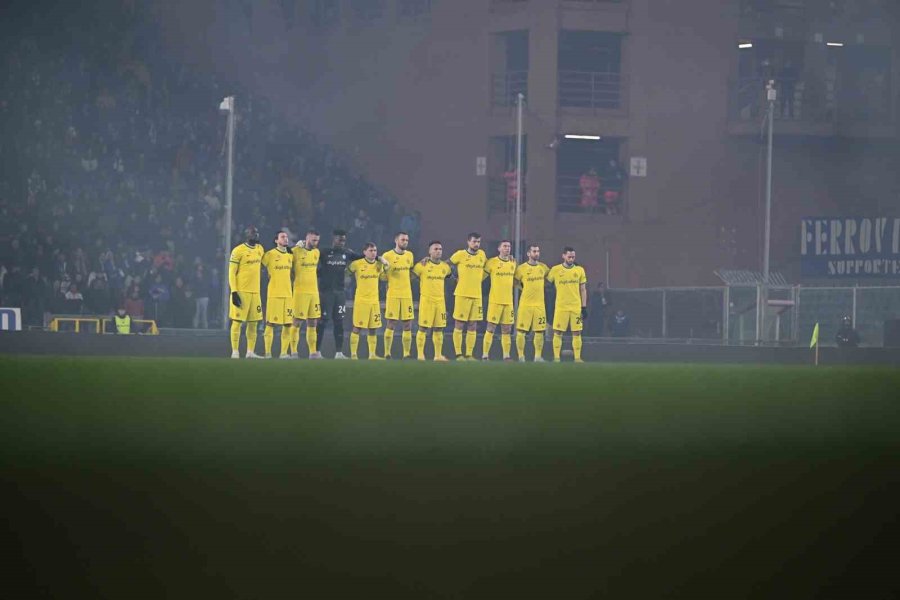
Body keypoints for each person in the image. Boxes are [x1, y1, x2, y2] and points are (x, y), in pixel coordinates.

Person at [316, 229, 361, 359]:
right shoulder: (323, 252)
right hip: (326, 293)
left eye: (343, 240)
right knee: (323, 322)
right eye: (339, 239)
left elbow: (363, 256)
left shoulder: (346, 253)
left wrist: (379, 257)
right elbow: (309, 255)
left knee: (339, 322)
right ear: (333, 239)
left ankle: (339, 353)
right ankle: (317, 351)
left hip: (340, 294)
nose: (341, 242)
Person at [348, 243, 390, 360]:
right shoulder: (357, 264)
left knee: (373, 328)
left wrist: (386, 266)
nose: (373, 253)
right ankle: (353, 354)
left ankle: (372, 355)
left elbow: (383, 278)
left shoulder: (378, 264)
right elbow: (346, 273)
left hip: (374, 301)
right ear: (364, 252)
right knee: (357, 327)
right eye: (371, 250)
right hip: (361, 301)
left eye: (375, 250)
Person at [449, 233, 488, 360]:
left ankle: (469, 354)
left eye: (478, 242)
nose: (476, 244)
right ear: (468, 242)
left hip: (476, 295)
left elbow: (488, 268)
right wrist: (453, 276)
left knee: (473, 325)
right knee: (459, 324)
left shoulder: (482, 254)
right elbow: (446, 264)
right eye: (474, 241)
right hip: (462, 294)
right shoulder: (460, 254)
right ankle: (458, 354)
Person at [228, 226, 264, 359]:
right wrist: (234, 291)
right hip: (242, 292)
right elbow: (231, 272)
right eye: (253, 233)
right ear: (247, 235)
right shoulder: (238, 251)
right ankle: (235, 352)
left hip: (255, 293)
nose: (256, 235)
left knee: (253, 323)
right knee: (237, 322)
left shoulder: (260, 249)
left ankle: (250, 352)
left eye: (257, 232)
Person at [547, 247, 588, 362]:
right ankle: (556, 357)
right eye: (569, 257)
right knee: (558, 332)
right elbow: (547, 285)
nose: (571, 259)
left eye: (573, 257)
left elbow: (583, 289)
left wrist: (583, 307)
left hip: (575, 307)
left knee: (577, 332)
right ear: (563, 256)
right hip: (561, 306)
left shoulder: (580, 270)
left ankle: (577, 358)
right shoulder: (555, 270)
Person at [413, 241, 452, 361]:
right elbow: (411, 277)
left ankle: (438, 355)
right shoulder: (421, 265)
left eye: (440, 249)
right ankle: (420, 355)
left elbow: (451, 276)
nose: (438, 251)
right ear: (429, 251)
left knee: (439, 328)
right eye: (435, 249)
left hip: (440, 302)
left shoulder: (445, 267)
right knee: (423, 328)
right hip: (426, 300)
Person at [381, 232, 415, 359]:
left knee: (407, 324)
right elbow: (382, 277)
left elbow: (410, 272)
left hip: (407, 295)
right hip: (393, 294)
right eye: (402, 240)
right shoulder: (387, 255)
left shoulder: (410, 255)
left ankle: (406, 353)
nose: (405, 242)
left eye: (407, 240)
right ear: (396, 240)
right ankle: (387, 353)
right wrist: (387, 270)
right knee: (391, 323)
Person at [514, 244, 550, 362]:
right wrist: (523, 288)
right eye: (534, 251)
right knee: (521, 331)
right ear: (528, 254)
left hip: (540, 305)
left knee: (540, 331)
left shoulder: (543, 268)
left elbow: (549, 279)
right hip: (526, 304)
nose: (537, 253)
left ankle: (538, 357)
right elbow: (514, 282)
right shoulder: (521, 268)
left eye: (538, 251)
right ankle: (521, 356)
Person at [482, 240, 517, 361]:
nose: (507, 248)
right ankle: (485, 355)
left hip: (508, 302)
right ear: (499, 248)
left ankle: (506, 356)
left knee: (507, 329)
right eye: (505, 246)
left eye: (509, 246)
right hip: (495, 301)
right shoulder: (491, 262)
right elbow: (481, 277)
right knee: (490, 328)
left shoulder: (513, 263)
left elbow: (516, 281)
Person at [261, 231, 294, 359]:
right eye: (283, 237)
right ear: (276, 240)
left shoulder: (290, 256)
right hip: (274, 294)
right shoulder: (269, 254)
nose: (286, 239)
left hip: (288, 294)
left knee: (287, 324)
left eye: (286, 237)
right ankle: (268, 353)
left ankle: (283, 353)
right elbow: (259, 266)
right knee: (270, 323)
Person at [291, 229, 322, 359]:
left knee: (313, 322)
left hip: (313, 292)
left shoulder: (316, 252)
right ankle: (293, 352)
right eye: (313, 240)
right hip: (300, 292)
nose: (316, 242)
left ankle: (313, 352)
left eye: (317, 240)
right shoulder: (295, 251)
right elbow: (288, 267)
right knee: (297, 322)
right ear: (307, 238)